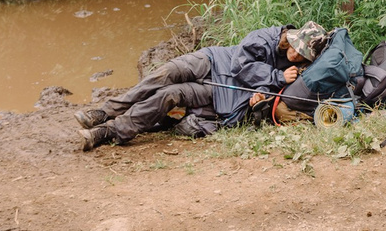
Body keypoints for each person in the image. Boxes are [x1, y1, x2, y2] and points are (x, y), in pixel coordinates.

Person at [76, 21, 327, 150]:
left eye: (301, 54)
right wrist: (275, 77)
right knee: (167, 72)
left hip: (221, 93)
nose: (294, 54)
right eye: (294, 47)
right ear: (291, 38)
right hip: (213, 61)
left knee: (170, 95)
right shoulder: (268, 37)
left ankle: (109, 132)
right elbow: (240, 65)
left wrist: (259, 102)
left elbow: (273, 100)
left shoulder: (299, 71)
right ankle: (105, 112)